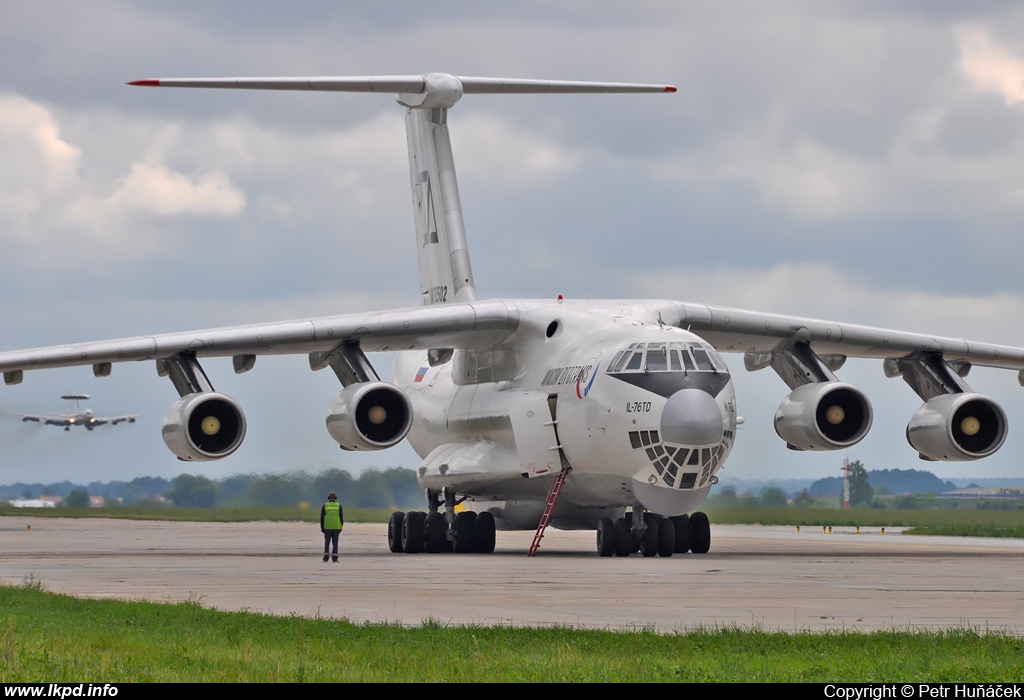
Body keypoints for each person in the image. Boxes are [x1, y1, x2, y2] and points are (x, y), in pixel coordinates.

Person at [320, 491, 344, 562]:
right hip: (336, 527)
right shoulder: (339, 505)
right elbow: (341, 517)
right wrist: (341, 527)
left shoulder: (325, 505)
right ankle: (335, 558)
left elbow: (322, 517)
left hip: (327, 527)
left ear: (328, 497)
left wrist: (322, 527)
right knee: (335, 543)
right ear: (335, 498)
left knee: (327, 542)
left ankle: (325, 558)